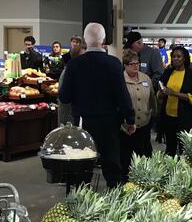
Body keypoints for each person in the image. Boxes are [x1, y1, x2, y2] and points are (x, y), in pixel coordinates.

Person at [59, 23, 135, 188]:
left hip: (82, 124)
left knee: (82, 168)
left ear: (85, 40)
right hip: (109, 123)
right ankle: (116, 206)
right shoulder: (114, 64)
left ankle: (80, 204)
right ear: (103, 40)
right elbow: (123, 96)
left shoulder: (74, 64)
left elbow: (64, 97)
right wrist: (130, 119)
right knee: (112, 168)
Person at [159, 46, 192, 156]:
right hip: (168, 117)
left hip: (185, 118)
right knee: (170, 148)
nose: (175, 59)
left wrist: (174, 93)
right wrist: (162, 94)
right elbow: (160, 93)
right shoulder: (168, 72)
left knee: (184, 148)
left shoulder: (191, 75)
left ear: (185, 58)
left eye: (179, 56)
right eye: (173, 56)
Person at [120, 50, 156, 179]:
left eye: (138, 63)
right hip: (127, 128)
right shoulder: (120, 80)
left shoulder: (145, 78)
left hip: (144, 126)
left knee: (144, 156)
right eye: (132, 64)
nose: (136, 66)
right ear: (125, 65)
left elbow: (152, 99)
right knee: (126, 158)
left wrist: (152, 116)